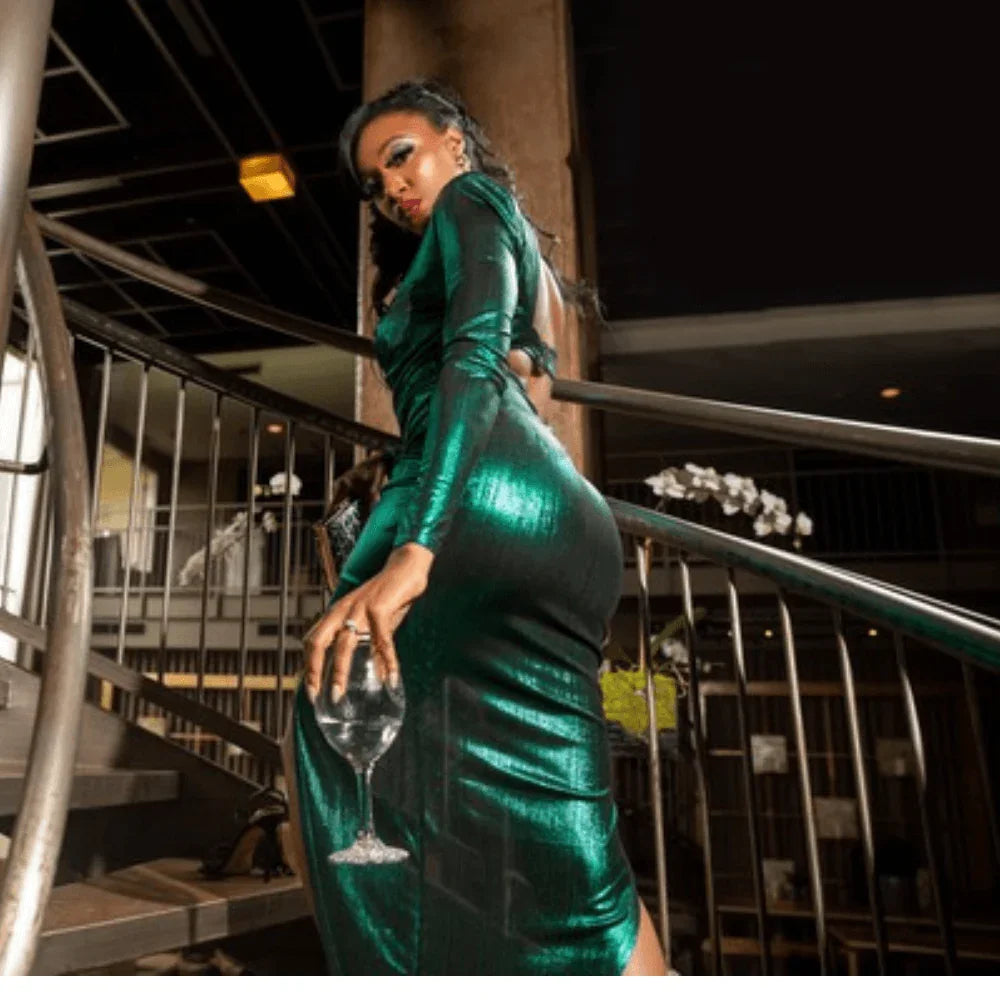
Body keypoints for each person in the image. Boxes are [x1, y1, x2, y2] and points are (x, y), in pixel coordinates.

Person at [283, 78, 667, 976]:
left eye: (401, 154)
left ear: (454, 136)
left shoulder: (472, 198)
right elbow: (528, 393)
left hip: (465, 500)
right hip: (562, 516)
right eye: (376, 185)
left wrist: (418, 545)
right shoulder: (526, 247)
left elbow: (470, 365)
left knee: (337, 710)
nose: (394, 188)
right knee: (555, 795)